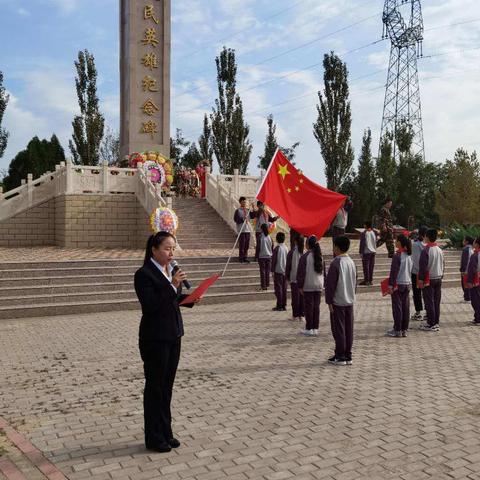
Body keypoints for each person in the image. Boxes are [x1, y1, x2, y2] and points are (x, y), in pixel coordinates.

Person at [134, 232, 196, 453]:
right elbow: (151, 304)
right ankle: (153, 437)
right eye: (167, 249)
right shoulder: (144, 274)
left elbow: (170, 299)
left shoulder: (169, 272)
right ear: (154, 249)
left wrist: (189, 299)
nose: (171, 253)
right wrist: (172, 285)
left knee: (166, 388)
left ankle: (166, 432)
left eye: (173, 249)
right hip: (155, 338)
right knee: (155, 388)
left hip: (173, 335)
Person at [325, 235, 356, 365]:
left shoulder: (336, 263)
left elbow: (330, 285)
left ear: (337, 247)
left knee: (339, 329)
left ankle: (340, 355)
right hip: (349, 300)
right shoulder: (351, 262)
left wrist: (329, 301)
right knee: (348, 329)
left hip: (338, 301)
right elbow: (354, 282)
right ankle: (347, 354)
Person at [386, 234, 413, 338]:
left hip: (398, 284)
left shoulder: (397, 256)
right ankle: (404, 329)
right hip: (407, 283)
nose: (395, 242)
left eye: (396, 240)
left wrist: (390, 285)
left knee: (397, 308)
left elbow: (394, 272)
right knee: (405, 307)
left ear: (400, 243)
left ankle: (397, 330)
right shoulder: (408, 255)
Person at [297, 235, 324, 337]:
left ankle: (309, 328)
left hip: (308, 285)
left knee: (309, 308)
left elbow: (301, 273)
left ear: (308, 245)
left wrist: (300, 286)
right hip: (318, 285)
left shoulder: (305, 257)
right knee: (316, 307)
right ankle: (315, 328)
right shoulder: (320, 256)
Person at [418, 229, 444, 332]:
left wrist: (420, 279)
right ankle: (436, 322)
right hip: (438, 277)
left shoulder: (426, 250)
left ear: (427, 237)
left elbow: (423, 267)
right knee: (436, 301)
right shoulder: (439, 249)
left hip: (429, 279)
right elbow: (443, 264)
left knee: (429, 302)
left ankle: (430, 323)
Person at [286, 234, 305, 321]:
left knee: (295, 297)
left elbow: (288, 265)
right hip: (303, 278)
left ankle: (295, 315)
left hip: (294, 277)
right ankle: (302, 315)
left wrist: (287, 277)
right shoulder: (304, 252)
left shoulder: (292, 252)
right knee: (302, 297)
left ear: (295, 241)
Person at [410, 226, 427, 322]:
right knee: (426, 293)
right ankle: (428, 312)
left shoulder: (415, 245)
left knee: (417, 293)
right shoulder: (427, 245)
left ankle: (418, 313)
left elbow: (415, 260)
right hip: (426, 273)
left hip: (416, 272)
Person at [271, 232, 288, 311]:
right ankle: (284, 304)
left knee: (279, 289)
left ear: (277, 239)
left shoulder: (277, 248)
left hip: (278, 271)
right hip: (285, 271)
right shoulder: (286, 248)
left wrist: (272, 270)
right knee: (284, 289)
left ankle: (279, 305)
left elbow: (274, 261)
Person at [233, 197, 252, 263]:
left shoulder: (248, 210)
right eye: (243, 202)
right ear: (240, 202)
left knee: (247, 245)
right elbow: (235, 220)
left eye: (245, 202)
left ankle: (245, 257)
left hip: (248, 230)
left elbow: (253, 216)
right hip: (241, 230)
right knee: (242, 245)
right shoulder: (238, 211)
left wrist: (253, 207)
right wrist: (243, 219)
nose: (244, 203)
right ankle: (241, 258)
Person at [466, 237, 480, 325]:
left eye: (474, 242)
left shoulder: (475, 255)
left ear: (477, 244)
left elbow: (472, 270)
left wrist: (469, 281)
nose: (473, 243)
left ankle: (478, 318)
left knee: (475, 300)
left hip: (476, 281)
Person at [359, 220, 376, 286]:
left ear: (365, 225)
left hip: (366, 252)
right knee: (371, 266)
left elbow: (362, 243)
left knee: (366, 267)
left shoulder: (364, 233)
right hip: (373, 252)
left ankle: (366, 281)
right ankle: (370, 280)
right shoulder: (373, 232)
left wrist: (361, 252)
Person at [258, 223, 273, 291]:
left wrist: (256, 256)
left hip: (262, 256)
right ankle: (267, 284)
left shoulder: (260, 236)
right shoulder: (270, 237)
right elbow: (272, 246)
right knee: (267, 271)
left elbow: (258, 247)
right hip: (269, 256)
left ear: (262, 229)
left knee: (263, 271)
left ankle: (263, 286)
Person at [460, 235, 474, 302]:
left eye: (463, 240)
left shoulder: (466, 249)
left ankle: (467, 298)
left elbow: (465, 261)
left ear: (467, 241)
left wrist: (463, 270)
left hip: (466, 270)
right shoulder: (472, 248)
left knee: (464, 284)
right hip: (471, 269)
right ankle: (469, 297)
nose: (463, 241)